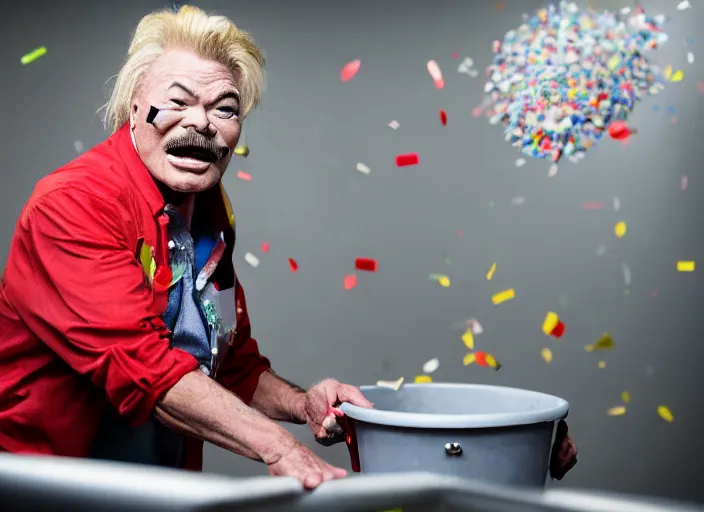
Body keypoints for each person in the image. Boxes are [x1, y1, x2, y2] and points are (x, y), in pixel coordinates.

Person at [0, 5, 576, 489]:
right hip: (50, 489)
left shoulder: (206, 215)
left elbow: (229, 364)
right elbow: (142, 369)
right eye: (176, 101)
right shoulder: (73, 204)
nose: (201, 123)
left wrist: (303, 406)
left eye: (225, 109)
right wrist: (280, 449)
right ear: (134, 110)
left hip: (152, 488)